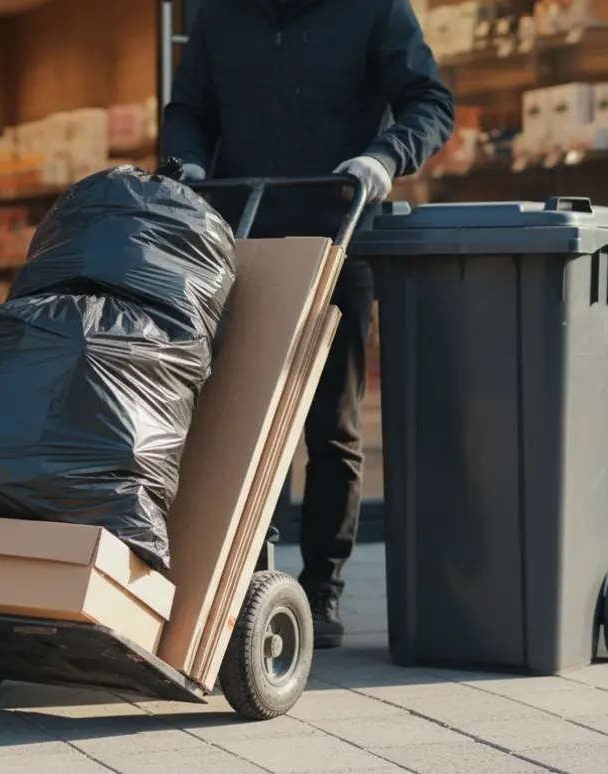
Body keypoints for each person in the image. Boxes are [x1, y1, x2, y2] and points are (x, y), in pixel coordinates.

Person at [163, 0, 454, 649]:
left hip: (336, 237)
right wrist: (187, 161)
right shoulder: (219, 15)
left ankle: (321, 586)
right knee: (237, 414)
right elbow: (189, 109)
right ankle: (237, 571)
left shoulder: (374, 10)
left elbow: (429, 101)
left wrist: (384, 158)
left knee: (331, 425)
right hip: (238, 242)